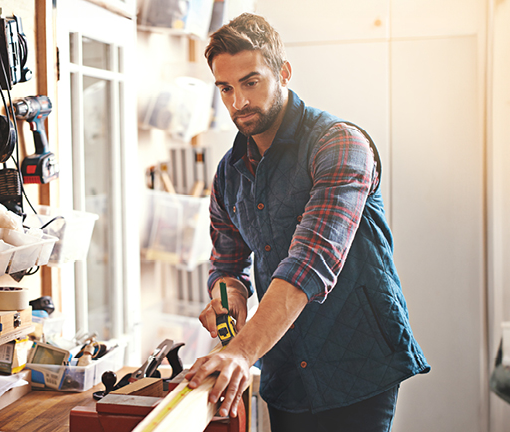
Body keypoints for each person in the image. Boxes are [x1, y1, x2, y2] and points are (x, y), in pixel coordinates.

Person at [184, 13, 430, 432]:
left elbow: (312, 259)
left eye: (251, 82)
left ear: (284, 73)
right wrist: (229, 297)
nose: (238, 102)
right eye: (225, 88)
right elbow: (227, 263)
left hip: (357, 366)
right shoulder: (229, 173)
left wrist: (241, 352)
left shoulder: (340, 143)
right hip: (285, 374)